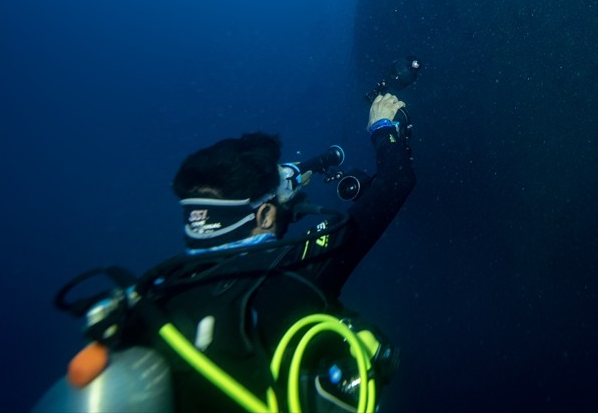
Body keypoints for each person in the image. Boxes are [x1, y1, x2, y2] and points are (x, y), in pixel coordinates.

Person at [36, 92, 416, 413]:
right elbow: (396, 183)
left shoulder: (156, 295)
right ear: (265, 213)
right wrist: (383, 126)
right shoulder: (294, 270)